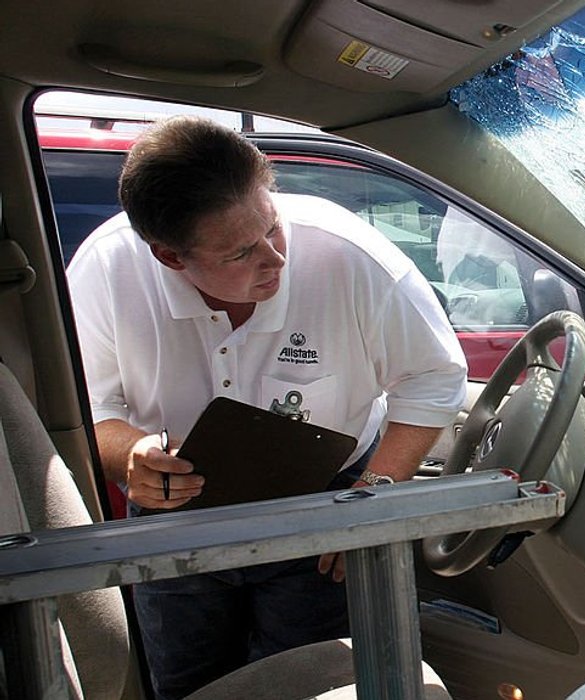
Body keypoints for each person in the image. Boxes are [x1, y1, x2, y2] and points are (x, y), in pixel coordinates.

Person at [66, 116, 467, 699]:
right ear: (170, 257)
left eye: (273, 225)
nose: (276, 257)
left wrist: (373, 496)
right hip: (175, 515)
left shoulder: (352, 256)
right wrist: (131, 455)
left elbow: (434, 376)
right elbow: (87, 408)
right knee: (188, 686)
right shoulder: (105, 270)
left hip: (330, 503)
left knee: (323, 684)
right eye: (241, 252)